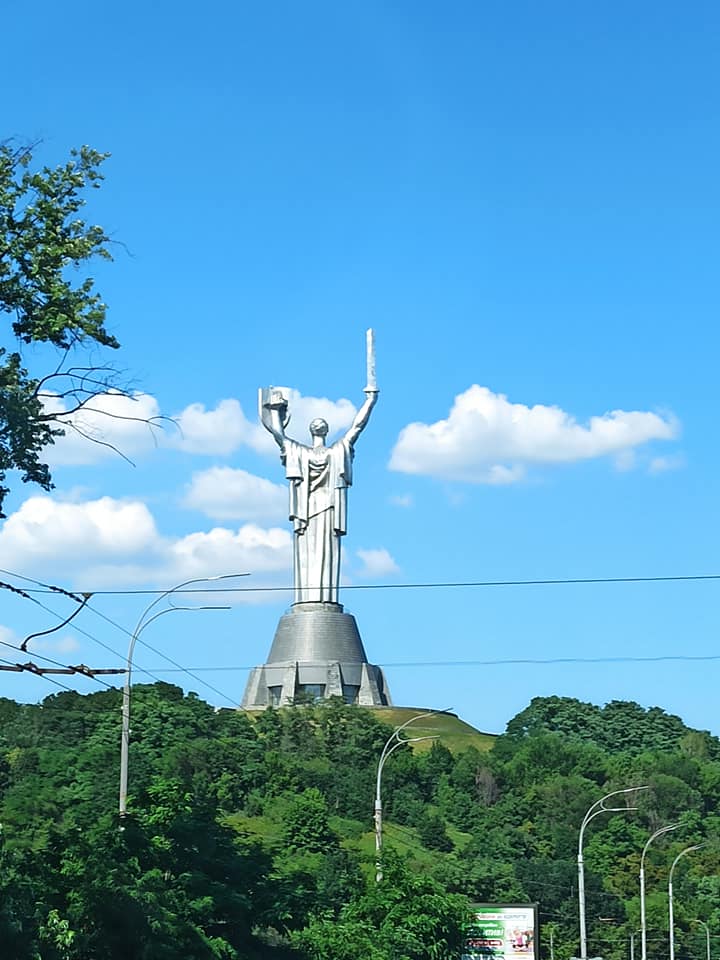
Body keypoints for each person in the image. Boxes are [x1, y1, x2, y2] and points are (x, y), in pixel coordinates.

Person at [262, 387, 378, 603]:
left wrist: (275, 411)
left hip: (307, 510)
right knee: (327, 552)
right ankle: (323, 598)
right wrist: (370, 401)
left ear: (312, 432)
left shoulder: (300, 453)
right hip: (328, 506)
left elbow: (278, 435)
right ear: (325, 431)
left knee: (307, 553)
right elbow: (357, 426)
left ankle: (309, 599)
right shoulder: (337, 451)